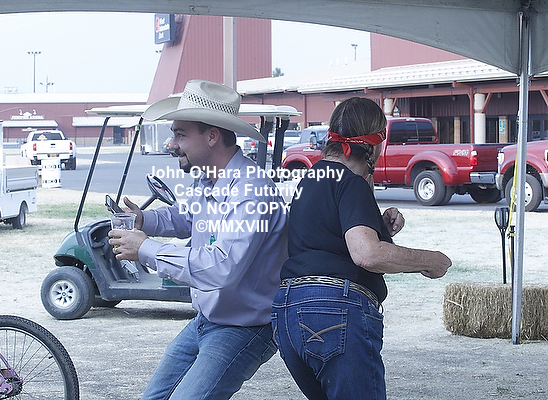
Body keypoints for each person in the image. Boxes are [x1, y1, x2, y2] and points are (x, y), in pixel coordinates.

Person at [108, 80, 288, 400]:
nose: (171, 144)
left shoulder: (251, 191)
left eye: (180, 134)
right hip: (208, 320)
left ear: (212, 136)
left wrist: (145, 248)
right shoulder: (209, 178)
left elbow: (221, 268)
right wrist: (144, 220)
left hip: (244, 328)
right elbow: (189, 217)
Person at [271, 97, 452, 400]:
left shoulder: (310, 180)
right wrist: (429, 260)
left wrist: (377, 225)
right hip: (333, 310)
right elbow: (367, 254)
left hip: (288, 312)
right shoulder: (350, 182)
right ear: (375, 143)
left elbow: (326, 237)